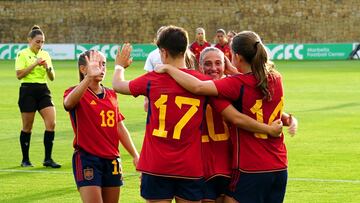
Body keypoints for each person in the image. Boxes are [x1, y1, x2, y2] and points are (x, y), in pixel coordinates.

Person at [112, 26, 282, 203]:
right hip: (189, 167)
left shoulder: (153, 78)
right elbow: (237, 112)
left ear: (163, 52)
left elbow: (117, 84)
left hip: (156, 165)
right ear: (186, 49)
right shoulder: (204, 82)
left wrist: (119, 66)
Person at [155, 30, 294, 203]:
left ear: (235, 56)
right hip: (279, 165)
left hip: (250, 167)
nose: (214, 68)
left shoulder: (234, 85)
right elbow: (255, 93)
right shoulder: (275, 77)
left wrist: (169, 68)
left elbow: (199, 88)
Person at [63, 50, 139, 203]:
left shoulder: (111, 94)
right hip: (87, 158)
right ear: (83, 69)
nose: (101, 68)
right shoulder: (74, 92)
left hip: (112, 160)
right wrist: (89, 78)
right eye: (96, 64)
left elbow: (119, 127)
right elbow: (68, 104)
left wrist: (135, 155)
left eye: (103, 64)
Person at [15, 25, 60, 168]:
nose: (40, 45)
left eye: (42, 42)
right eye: (37, 42)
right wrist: (34, 64)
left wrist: (47, 68)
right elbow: (19, 75)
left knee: (51, 123)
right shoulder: (22, 54)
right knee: (27, 127)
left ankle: (48, 159)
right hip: (27, 90)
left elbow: (52, 77)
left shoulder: (45, 55)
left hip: (43, 90)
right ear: (30, 40)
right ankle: (25, 160)